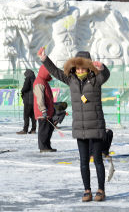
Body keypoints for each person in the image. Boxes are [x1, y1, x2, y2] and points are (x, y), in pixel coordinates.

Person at [38, 48, 110, 202]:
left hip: (95, 126)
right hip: (80, 128)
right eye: (77, 67)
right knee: (83, 161)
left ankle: (101, 190)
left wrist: (103, 68)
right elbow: (56, 72)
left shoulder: (96, 80)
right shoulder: (71, 80)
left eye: (83, 67)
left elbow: (106, 75)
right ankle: (87, 190)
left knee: (97, 160)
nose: (80, 70)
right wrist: (45, 59)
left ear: (89, 67)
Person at [33, 65, 56, 153]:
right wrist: (43, 109)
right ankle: (43, 147)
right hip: (42, 111)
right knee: (44, 130)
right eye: (49, 72)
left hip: (48, 111)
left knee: (49, 129)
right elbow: (40, 98)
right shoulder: (39, 82)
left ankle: (47, 145)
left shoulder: (44, 81)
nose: (50, 74)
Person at [17, 69, 36, 134]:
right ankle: (33, 129)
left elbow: (25, 87)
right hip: (34, 100)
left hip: (28, 100)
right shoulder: (35, 79)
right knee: (33, 116)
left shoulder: (28, 78)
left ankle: (25, 130)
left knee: (26, 115)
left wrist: (22, 91)